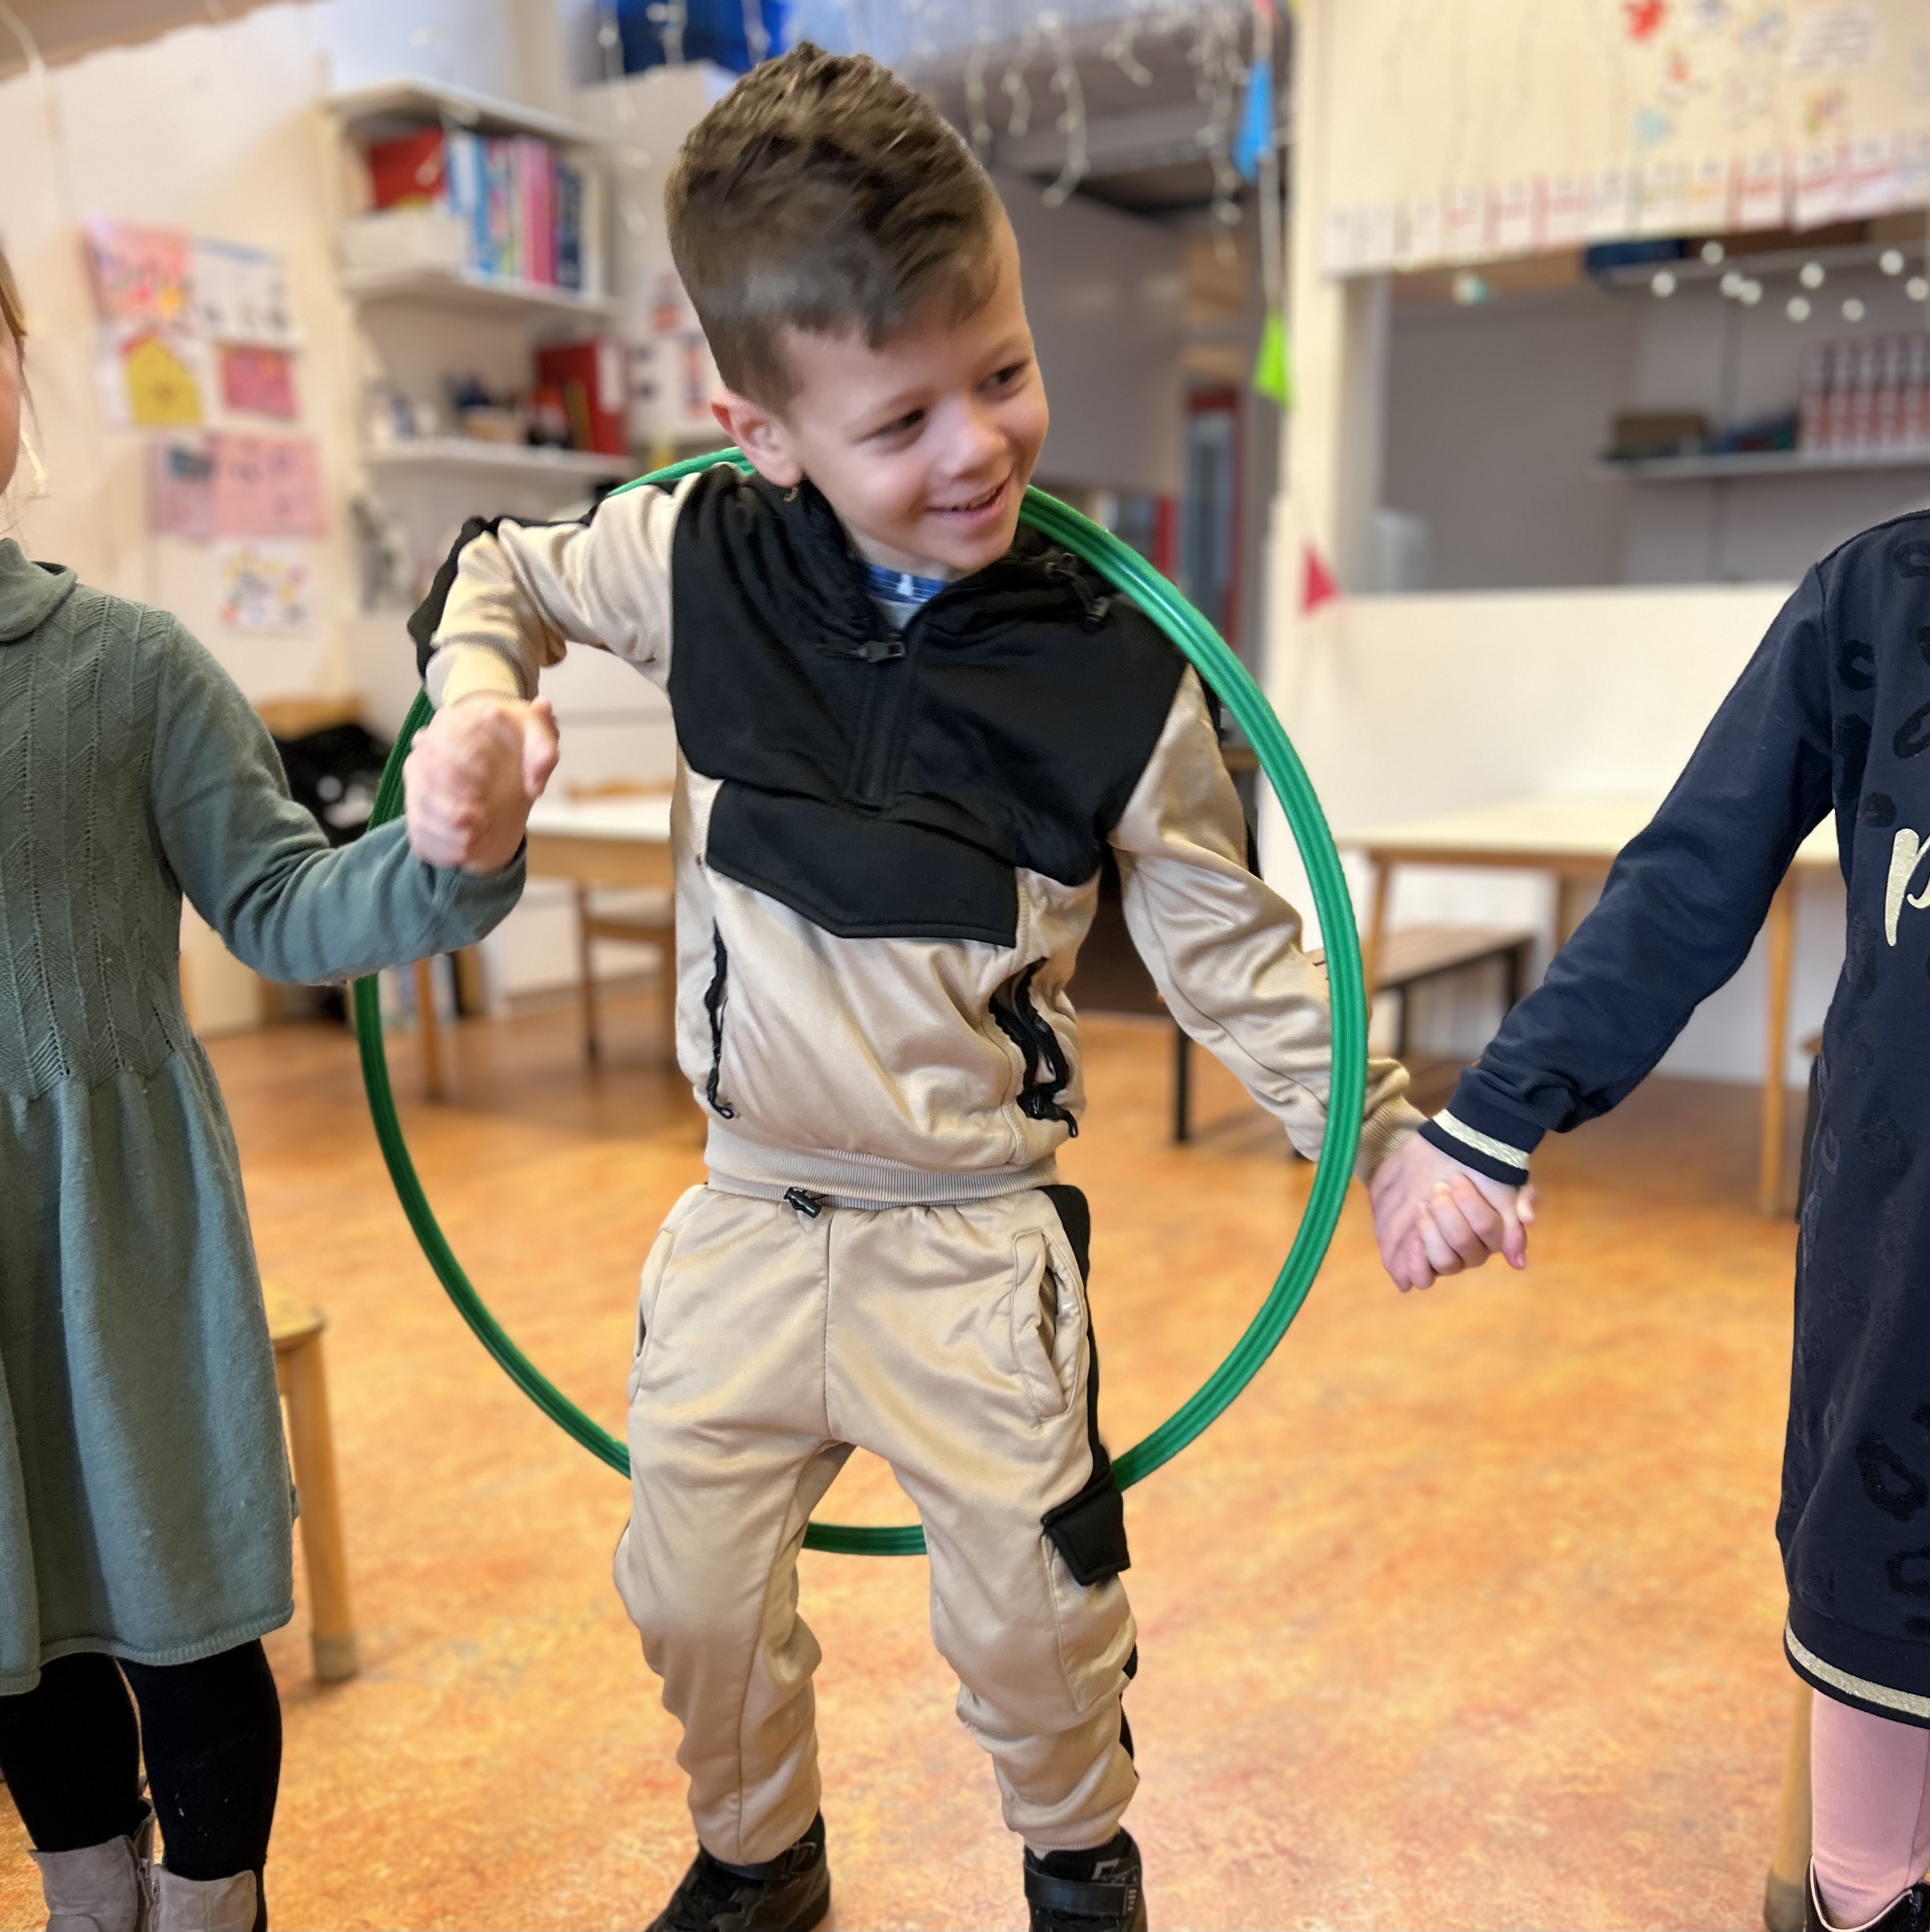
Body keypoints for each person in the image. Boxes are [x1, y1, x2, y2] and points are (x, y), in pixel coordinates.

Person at [404, 43, 1419, 1932]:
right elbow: (496, 570)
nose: (976, 447)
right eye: (901, 420)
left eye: (1005, 373)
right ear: (763, 428)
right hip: (745, 1208)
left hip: (967, 1233)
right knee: (684, 1590)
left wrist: (1383, 1141)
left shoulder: (1120, 667)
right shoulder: (699, 550)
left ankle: (1076, 1860)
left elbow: (1238, 955)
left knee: (1036, 1612)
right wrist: (470, 710)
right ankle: (758, 1859)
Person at [0, 244, 546, 1932]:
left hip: (122, 1222)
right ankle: (91, 1893)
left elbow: (285, 899)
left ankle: (215, 1899)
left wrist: (454, 849)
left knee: (178, 1584)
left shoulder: (128, 666)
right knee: (15, 1604)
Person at [1369, 509, 1930, 1932]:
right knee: (1881, 1626)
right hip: (1908, 1267)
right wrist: (1492, 1118)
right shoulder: (1880, 593)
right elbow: (1693, 873)